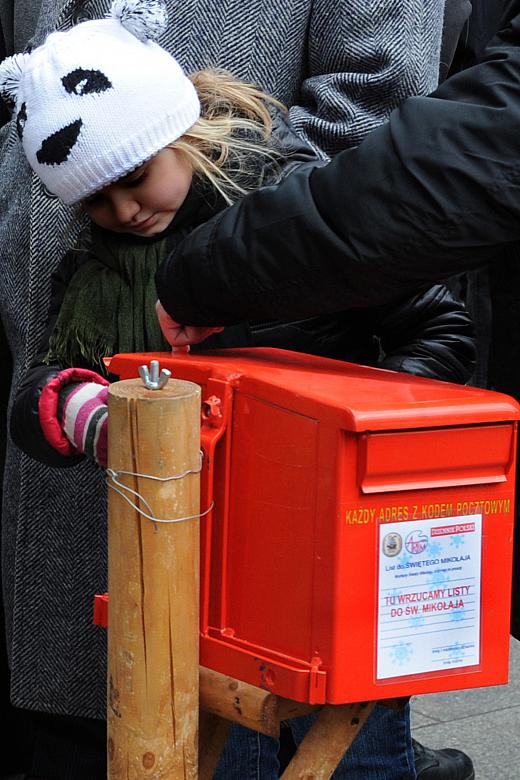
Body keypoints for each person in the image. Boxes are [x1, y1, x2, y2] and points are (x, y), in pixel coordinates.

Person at [0, 0, 474, 778]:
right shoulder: (95, 264)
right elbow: (40, 390)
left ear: (174, 134)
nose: (122, 210)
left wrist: (365, 425)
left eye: (134, 177)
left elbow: (438, 327)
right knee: (230, 753)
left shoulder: (296, 214)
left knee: (360, 747)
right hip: (209, 573)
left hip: (343, 544)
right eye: (94, 200)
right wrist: (88, 415)